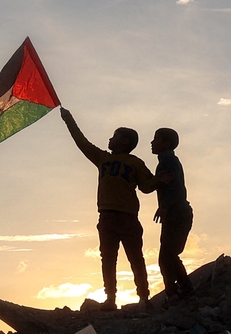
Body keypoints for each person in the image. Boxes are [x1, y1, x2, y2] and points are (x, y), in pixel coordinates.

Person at [60, 107, 158, 311]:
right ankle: (111, 298)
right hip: (107, 217)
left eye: (114, 136)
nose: (110, 139)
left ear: (124, 142)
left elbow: (146, 187)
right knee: (108, 258)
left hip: (129, 217)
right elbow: (82, 143)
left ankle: (143, 297)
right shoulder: (103, 159)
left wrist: (160, 181)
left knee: (135, 258)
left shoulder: (135, 163)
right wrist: (69, 120)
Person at [151, 127, 194, 302]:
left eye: (156, 139)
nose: (152, 142)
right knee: (169, 255)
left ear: (167, 144)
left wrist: (165, 206)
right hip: (177, 214)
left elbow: (176, 187)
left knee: (166, 257)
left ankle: (175, 294)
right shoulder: (167, 160)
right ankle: (184, 290)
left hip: (177, 214)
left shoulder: (167, 160)